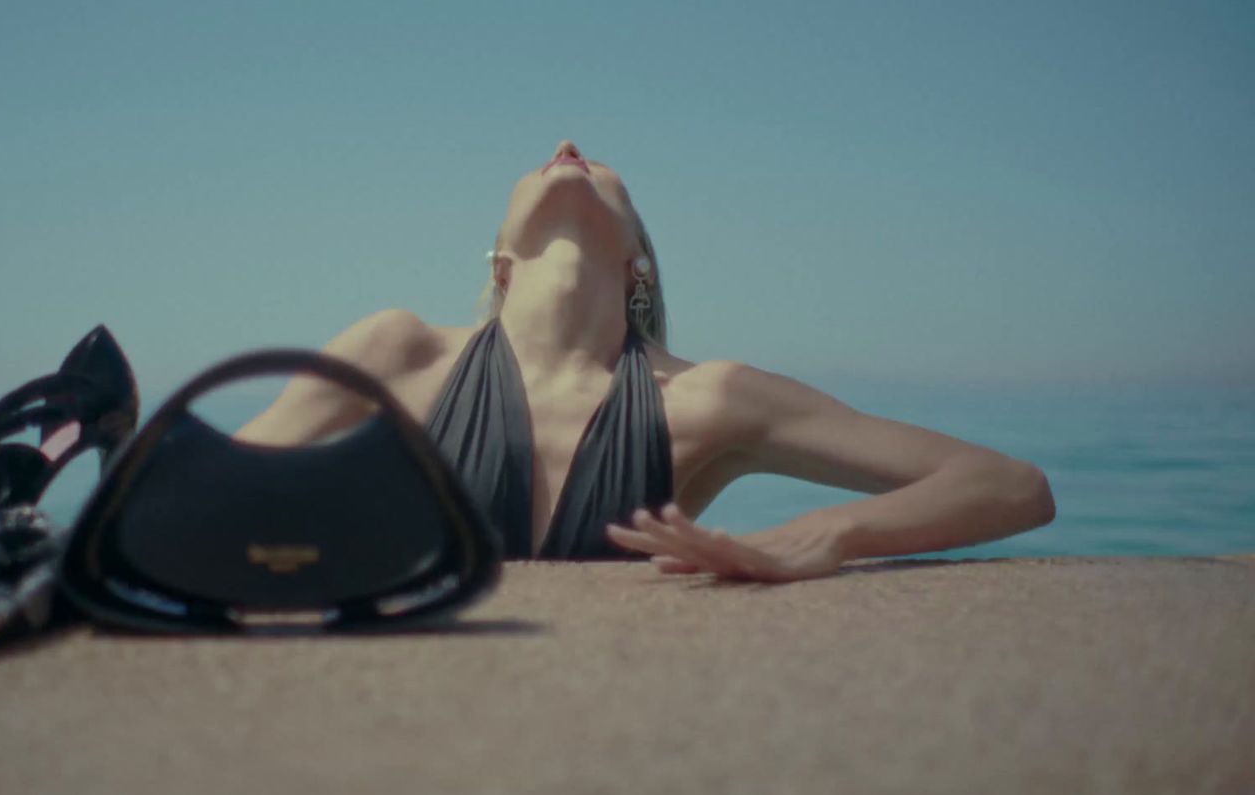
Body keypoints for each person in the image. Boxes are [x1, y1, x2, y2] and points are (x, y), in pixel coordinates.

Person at [235, 140, 1055, 582]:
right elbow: (210, 483)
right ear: (500, 264)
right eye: (539, 160)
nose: (566, 143)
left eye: (604, 166)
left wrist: (825, 534)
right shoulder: (397, 352)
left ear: (640, 260)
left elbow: (1013, 486)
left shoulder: (707, 399)